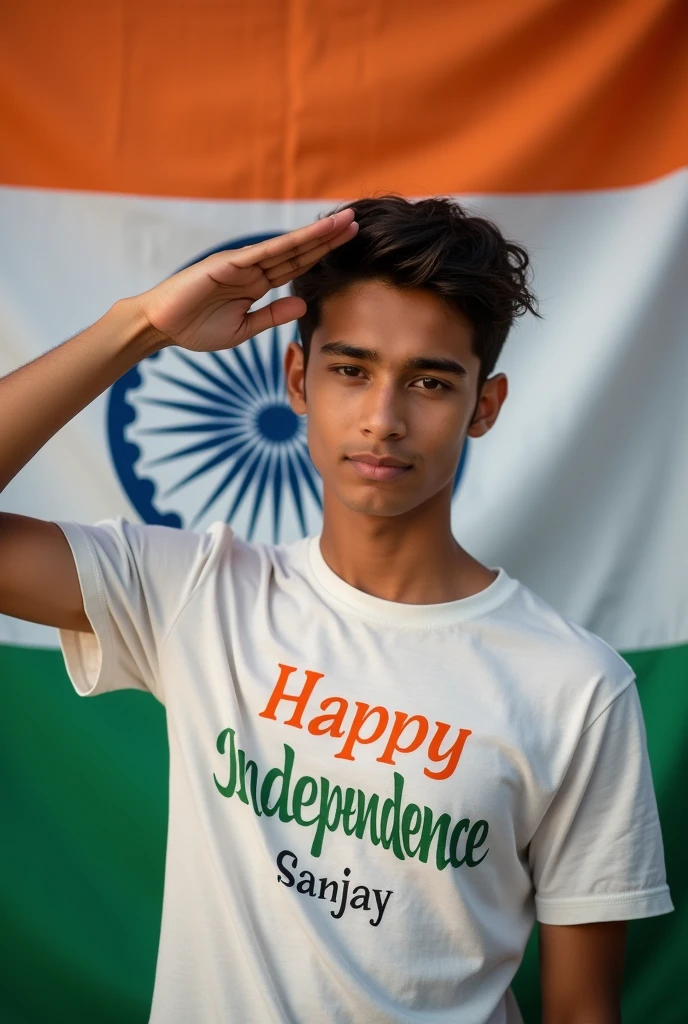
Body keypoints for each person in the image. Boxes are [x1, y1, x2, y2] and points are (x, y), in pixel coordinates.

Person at [0, 197, 672, 1023]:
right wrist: (139, 325)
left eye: (429, 381)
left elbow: (581, 1009)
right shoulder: (197, 594)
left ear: (484, 407)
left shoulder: (578, 687)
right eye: (351, 369)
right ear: (297, 381)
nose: (383, 420)